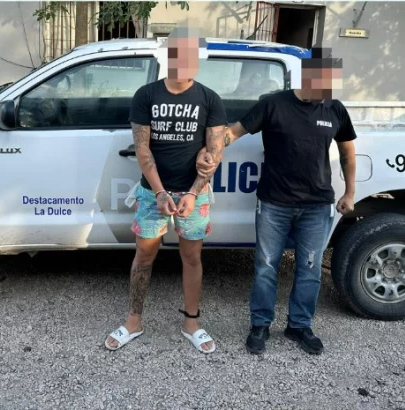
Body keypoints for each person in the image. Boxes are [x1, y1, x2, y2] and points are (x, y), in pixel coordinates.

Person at [197, 49, 357, 355]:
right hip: (274, 203)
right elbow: (234, 132)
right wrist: (211, 149)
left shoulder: (334, 108)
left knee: (309, 268)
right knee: (266, 266)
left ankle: (299, 326)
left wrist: (349, 192)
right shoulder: (274, 104)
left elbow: (348, 152)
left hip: (317, 206)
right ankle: (260, 325)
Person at [104, 28, 228, 354]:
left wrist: (192, 192)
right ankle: (133, 321)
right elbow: (142, 149)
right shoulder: (146, 95)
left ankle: (192, 323)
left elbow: (214, 152)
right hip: (151, 192)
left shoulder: (210, 99)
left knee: (192, 258)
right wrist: (160, 193)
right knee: (144, 256)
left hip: (194, 194)